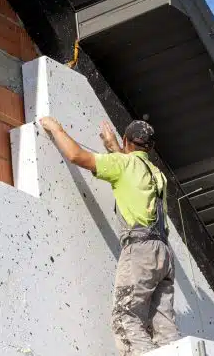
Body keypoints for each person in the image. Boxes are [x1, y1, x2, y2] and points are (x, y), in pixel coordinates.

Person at [39, 116, 180, 355]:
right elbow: (133, 170)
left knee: (125, 318)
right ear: (151, 147)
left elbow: (77, 156)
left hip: (140, 251)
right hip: (163, 254)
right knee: (165, 327)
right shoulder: (157, 174)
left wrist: (57, 129)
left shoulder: (123, 165)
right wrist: (116, 148)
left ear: (126, 141)